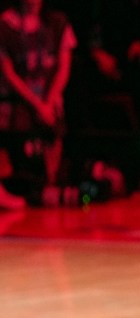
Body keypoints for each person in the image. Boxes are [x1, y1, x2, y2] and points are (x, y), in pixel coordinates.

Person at [0, 0, 76, 207]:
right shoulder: (5, 24)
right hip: (20, 98)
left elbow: (63, 67)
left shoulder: (57, 22)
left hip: (48, 99)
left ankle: (49, 183)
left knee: (54, 118)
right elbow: (8, 73)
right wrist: (36, 104)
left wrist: (49, 101)